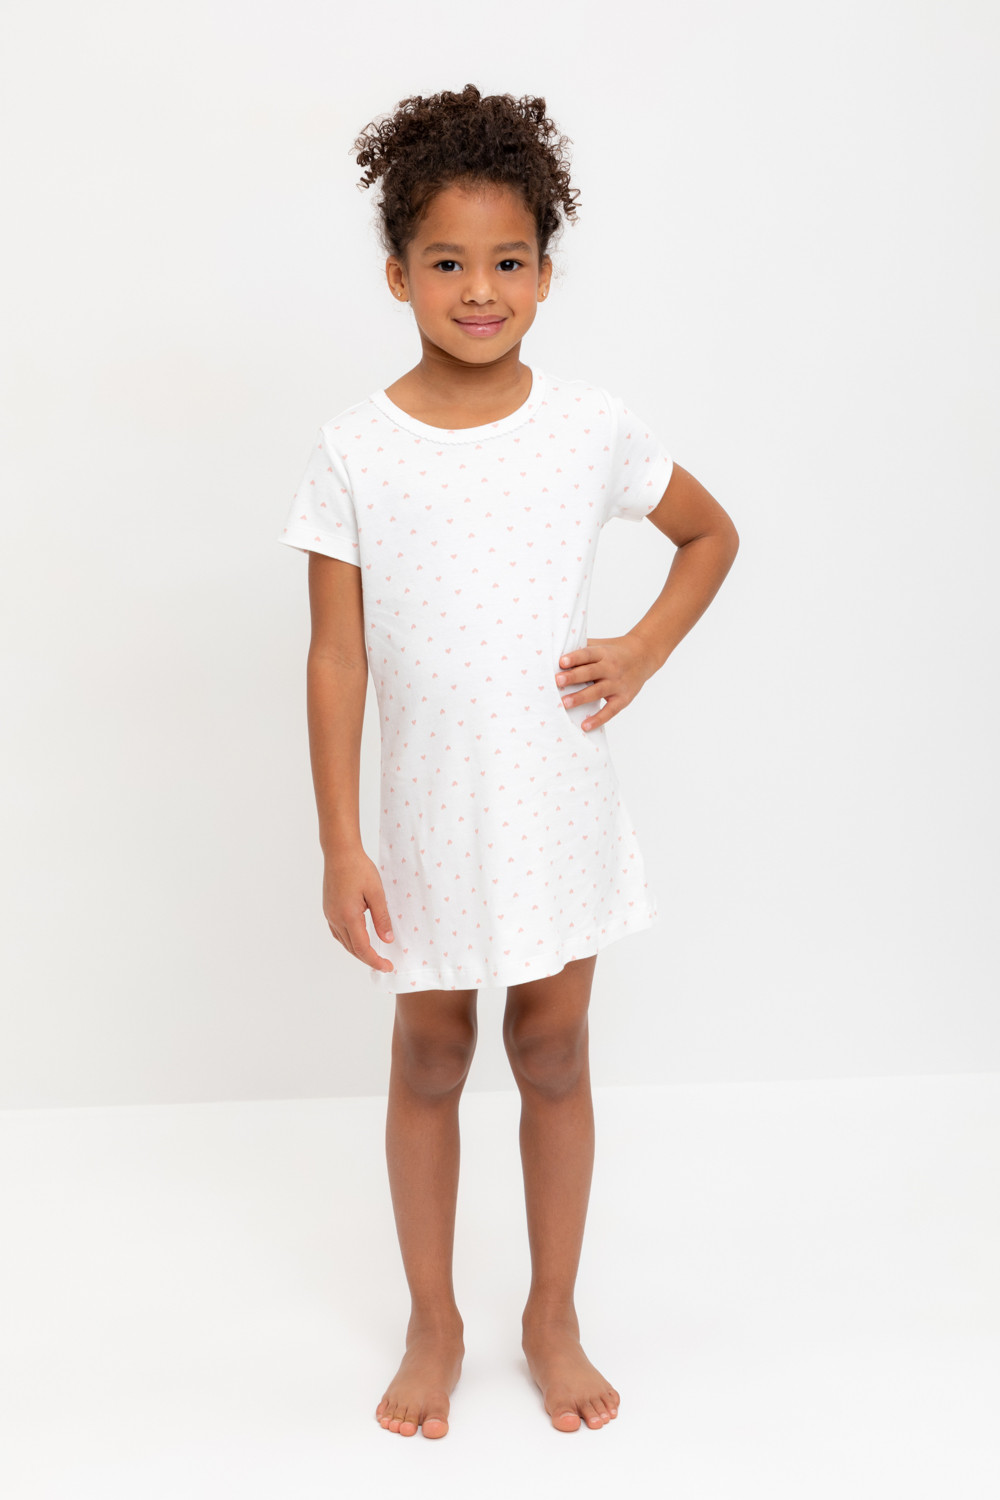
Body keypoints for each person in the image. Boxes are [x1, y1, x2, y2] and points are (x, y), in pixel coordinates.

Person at [277, 84, 739, 1440]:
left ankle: (554, 1315)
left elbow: (710, 534)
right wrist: (341, 841)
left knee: (551, 1047)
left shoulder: (590, 427)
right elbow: (336, 659)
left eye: (508, 261)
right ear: (397, 274)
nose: (479, 290)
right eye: (447, 262)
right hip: (427, 813)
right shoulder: (355, 449)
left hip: (555, 800)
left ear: (544, 272)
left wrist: (641, 649)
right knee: (431, 1051)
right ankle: (434, 1318)